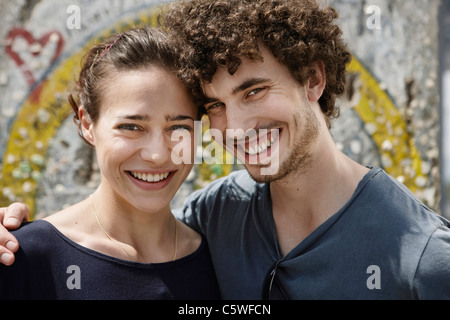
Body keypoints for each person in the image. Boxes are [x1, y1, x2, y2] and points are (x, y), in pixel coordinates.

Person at [2, 0, 450, 300]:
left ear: (314, 79)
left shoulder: (426, 259)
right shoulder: (214, 215)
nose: (234, 127)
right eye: (215, 104)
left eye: (254, 91)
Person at [0, 26, 220, 299]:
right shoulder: (21, 256)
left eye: (179, 128)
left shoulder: (221, 261)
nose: (158, 155)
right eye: (131, 127)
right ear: (88, 124)